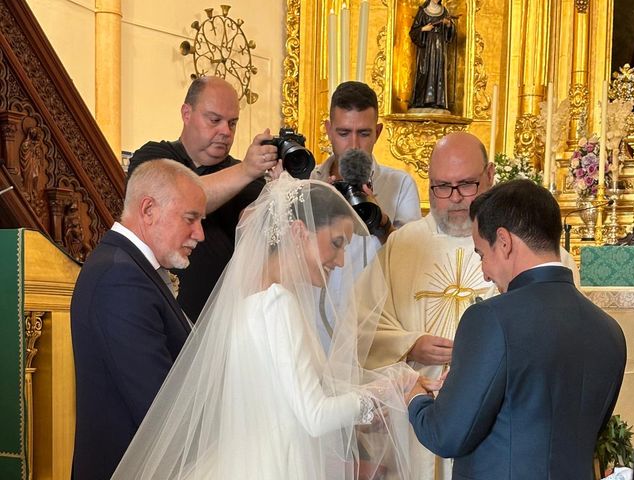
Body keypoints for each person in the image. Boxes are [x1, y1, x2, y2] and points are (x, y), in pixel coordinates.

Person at [112, 174, 422, 480]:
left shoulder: (250, 299)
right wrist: (386, 391)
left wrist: (386, 387)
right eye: (336, 243)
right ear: (299, 232)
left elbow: (290, 395)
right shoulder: (277, 304)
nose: (341, 261)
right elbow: (314, 415)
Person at [364, 131, 580, 480]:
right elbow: (361, 327)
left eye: (466, 184)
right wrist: (410, 344)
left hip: (502, 425)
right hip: (420, 419)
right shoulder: (402, 246)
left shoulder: (532, 250)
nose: (454, 199)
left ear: (490, 175)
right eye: (441, 186)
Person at [406, 179, 627, 479]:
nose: (484, 273)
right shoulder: (610, 331)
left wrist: (415, 396)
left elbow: (445, 434)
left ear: (505, 241)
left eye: (482, 254)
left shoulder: (490, 319)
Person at [70, 159, 206, 480]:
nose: (199, 234)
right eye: (191, 218)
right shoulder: (121, 277)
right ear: (148, 210)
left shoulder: (128, 268)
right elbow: (157, 405)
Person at [128, 76, 280, 321]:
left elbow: (261, 243)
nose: (225, 131)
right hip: (153, 311)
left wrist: (280, 190)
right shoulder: (154, 157)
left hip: (219, 325)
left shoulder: (248, 181)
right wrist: (246, 170)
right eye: (214, 120)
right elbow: (176, 201)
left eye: (232, 123)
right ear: (187, 113)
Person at [313, 80, 421, 348]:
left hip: (375, 326)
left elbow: (410, 263)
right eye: (343, 132)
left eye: (363, 133)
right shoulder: (309, 180)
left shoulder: (400, 184)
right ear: (327, 130)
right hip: (314, 317)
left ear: (378, 132)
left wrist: (380, 219)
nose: (353, 145)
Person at [409, 0, 455, 110]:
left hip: (439, 48)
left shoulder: (444, 11)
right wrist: (424, 29)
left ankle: (437, 101)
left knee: (438, 71)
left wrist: (448, 25)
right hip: (426, 48)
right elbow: (413, 32)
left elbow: (451, 33)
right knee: (424, 71)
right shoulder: (423, 12)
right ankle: (421, 101)